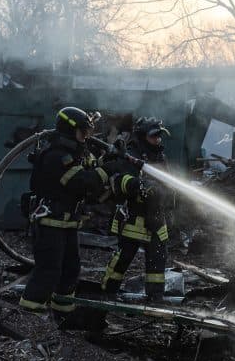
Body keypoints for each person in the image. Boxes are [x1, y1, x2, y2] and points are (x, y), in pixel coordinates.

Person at [19, 107, 112, 318]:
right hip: (49, 221)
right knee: (49, 270)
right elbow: (82, 182)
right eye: (83, 132)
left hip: (67, 223)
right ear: (70, 130)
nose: (86, 137)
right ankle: (29, 314)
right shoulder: (57, 156)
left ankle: (63, 312)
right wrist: (109, 170)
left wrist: (110, 159)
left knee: (70, 269)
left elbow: (92, 168)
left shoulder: (74, 154)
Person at [101, 116, 171, 301]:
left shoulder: (160, 156)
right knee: (123, 259)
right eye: (154, 136)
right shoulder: (131, 155)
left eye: (159, 136)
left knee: (157, 261)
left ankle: (155, 298)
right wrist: (139, 184)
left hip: (157, 219)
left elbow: (167, 181)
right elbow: (119, 181)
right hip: (134, 217)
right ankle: (108, 292)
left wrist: (162, 191)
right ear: (142, 136)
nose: (158, 140)